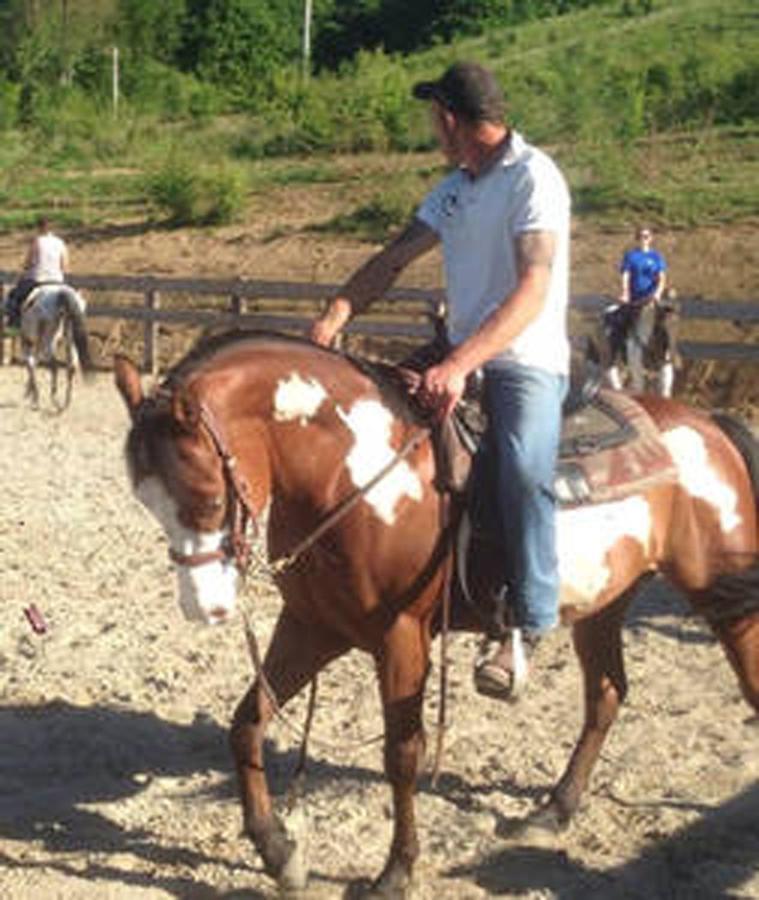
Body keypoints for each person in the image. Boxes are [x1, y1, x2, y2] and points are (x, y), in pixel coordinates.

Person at [310, 61, 571, 700]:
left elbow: (534, 288)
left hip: (522, 358)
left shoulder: (534, 177)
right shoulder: (455, 189)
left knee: (521, 465)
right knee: (369, 419)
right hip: (457, 349)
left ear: (450, 118)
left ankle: (529, 618)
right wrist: (338, 313)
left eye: (434, 119)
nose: (433, 130)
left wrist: (458, 365)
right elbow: (395, 257)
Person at [604, 225, 667, 388]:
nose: (643, 239)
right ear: (637, 238)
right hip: (634, 298)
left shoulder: (656, 257)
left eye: (646, 236)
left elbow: (661, 277)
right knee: (616, 320)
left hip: (651, 298)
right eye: (640, 236)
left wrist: (658, 293)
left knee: (668, 321)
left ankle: (670, 354)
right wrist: (625, 292)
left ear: (651, 238)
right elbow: (626, 275)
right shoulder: (631, 256)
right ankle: (614, 355)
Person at [4, 216, 69, 329]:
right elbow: (65, 266)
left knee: (14, 295)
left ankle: (14, 321)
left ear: (39, 228)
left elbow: (29, 263)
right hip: (58, 281)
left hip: (39, 279)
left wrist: (24, 267)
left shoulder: (37, 241)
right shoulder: (60, 243)